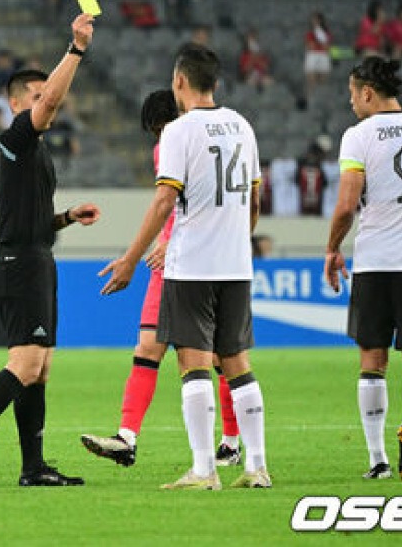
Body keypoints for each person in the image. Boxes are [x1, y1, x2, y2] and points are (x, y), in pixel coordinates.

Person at [0, 14, 101, 489]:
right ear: (15, 104)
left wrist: (67, 217)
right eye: (35, 96)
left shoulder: (37, 152)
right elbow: (51, 101)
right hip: (19, 264)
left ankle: (33, 467)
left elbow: (28, 219)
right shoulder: (15, 138)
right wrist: (76, 49)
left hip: (36, 257)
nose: (46, 102)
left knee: (40, 367)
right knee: (26, 363)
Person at [99, 43, 269, 490]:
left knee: (193, 365)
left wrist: (131, 259)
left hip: (191, 265)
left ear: (179, 81)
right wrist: (238, 239)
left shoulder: (177, 133)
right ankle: (256, 467)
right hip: (236, 264)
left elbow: (163, 201)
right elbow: (255, 200)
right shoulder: (243, 127)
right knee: (237, 364)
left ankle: (203, 470)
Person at [80, 90, 242, 470]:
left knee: (214, 357)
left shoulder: (176, 144)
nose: (159, 139)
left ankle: (230, 443)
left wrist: (162, 243)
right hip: (169, 262)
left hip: (193, 262)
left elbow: (181, 203)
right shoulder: (213, 138)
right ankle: (127, 438)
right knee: (148, 346)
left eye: (158, 130)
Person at [324, 57, 402, 482]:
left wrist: (332, 248)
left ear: (368, 92)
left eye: (353, 94)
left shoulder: (358, 136)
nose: (352, 102)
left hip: (375, 263)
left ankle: (378, 460)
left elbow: (345, 206)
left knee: (372, 361)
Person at [304, 12, 333, 101]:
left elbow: (327, 47)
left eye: (317, 19)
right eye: (313, 19)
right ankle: (310, 100)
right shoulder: (309, 34)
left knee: (323, 83)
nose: (315, 21)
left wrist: (317, 44)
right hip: (312, 56)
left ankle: (322, 100)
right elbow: (310, 46)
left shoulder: (326, 34)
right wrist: (320, 44)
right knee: (311, 82)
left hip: (323, 56)